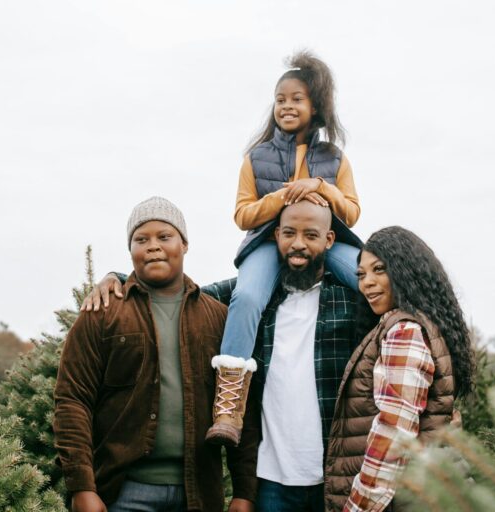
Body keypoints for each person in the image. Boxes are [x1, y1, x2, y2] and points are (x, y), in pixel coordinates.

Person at [82, 200, 362, 511]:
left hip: (335, 473)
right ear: (275, 238)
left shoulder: (350, 300)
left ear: (329, 240)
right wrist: (118, 277)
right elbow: (180, 294)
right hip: (271, 479)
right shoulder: (250, 296)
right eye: (288, 234)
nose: (298, 244)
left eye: (310, 235)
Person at [53, 197, 258, 512]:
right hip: (123, 493)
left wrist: (245, 492)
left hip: (198, 493)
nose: (153, 246)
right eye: (141, 239)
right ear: (130, 249)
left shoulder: (218, 318)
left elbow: (241, 406)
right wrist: (82, 487)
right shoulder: (102, 313)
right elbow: (72, 400)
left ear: (184, 244)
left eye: (164, 236)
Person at [207, 50, 362, 447]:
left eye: (297, 99)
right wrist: (281, 198)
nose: (287, 106)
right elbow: (243, 215)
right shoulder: (255, 157)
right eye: (281, 99)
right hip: (266, 242)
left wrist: (321, 187)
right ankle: (228, 407)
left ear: (316, 106)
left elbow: (353, 212)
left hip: (322, 244)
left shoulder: (334, 158)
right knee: (247, 297)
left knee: (370, 277)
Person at [324, 226, 476, 512]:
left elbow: (393, 435)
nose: (367, 283)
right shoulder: (421, 323)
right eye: (361, 274)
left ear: (405, 271)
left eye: (379, 269)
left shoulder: (403, 332)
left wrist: (359, 506)